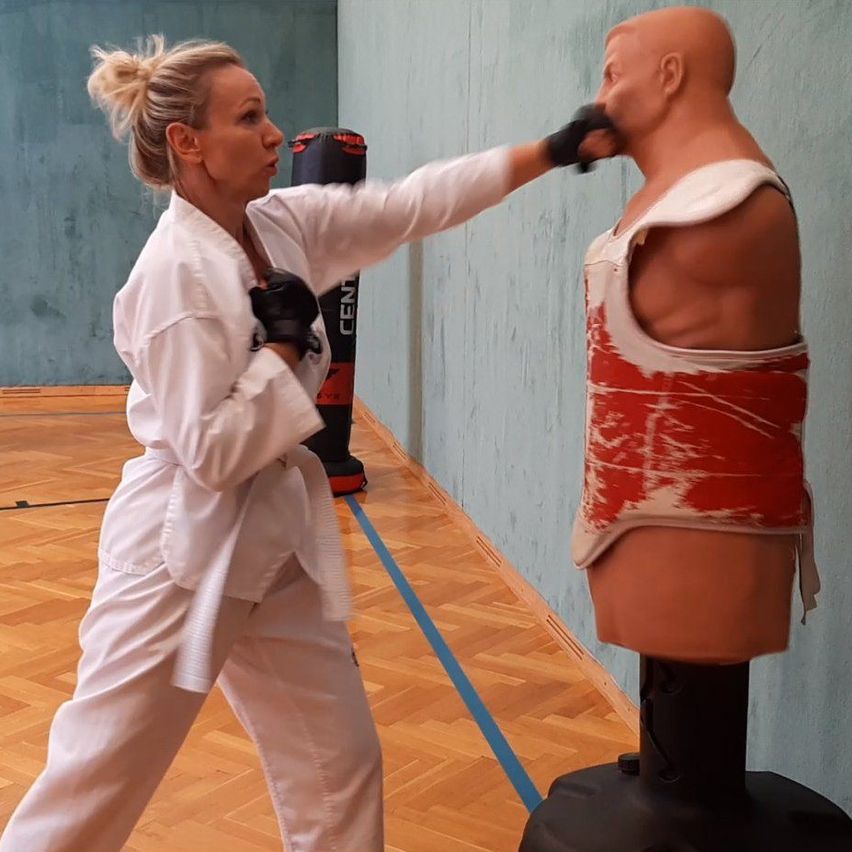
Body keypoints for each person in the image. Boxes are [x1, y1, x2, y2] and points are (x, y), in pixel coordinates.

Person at [0, 35, 617, 852]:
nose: (272, 134)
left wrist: (552, 150)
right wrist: (283, 351)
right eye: (248, 117)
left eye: (265, 114)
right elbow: (214, 455)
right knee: (95, 781)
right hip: (181, 558)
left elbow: (411, 204)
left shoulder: (278, 223)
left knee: (338, 764)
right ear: (188, 143)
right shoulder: (174, 279)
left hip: (274, 538)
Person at [571, 5, 819, 663]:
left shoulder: (725, 205)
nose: (601, 99)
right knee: (674, 693)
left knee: (694, 691)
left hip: (699, 545)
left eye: (612, 77)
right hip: (635, 525)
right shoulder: (672, 196)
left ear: (671, 75)